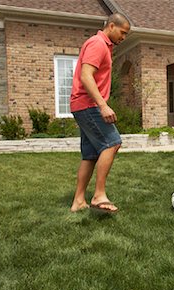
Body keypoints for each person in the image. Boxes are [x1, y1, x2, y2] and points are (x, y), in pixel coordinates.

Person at [69, 13, 130, 213]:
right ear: (111, 26)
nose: (124, 37)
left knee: (90, 155)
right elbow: (86, 76)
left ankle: (78, 201)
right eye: (122, 32)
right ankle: (99, 195)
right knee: (112, 142)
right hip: (88, 104)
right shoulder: (98, 43)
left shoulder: (103, 46)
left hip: (82, 105)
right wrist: (103, 105)